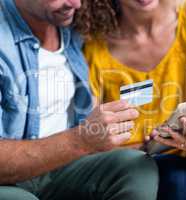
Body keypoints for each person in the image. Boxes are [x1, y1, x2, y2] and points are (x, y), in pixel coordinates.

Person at [76, 0, 186, 199]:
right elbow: (96, 138)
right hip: (138, 155)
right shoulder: (94, 47)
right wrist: (145, 147)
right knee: (177, 180)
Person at [0, 0, 159, 199]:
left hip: (63, 166)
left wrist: (150, 145)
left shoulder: (72, 26)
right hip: (9, 181)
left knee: (137, 167)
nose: (75, 4)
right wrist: (81, 140)